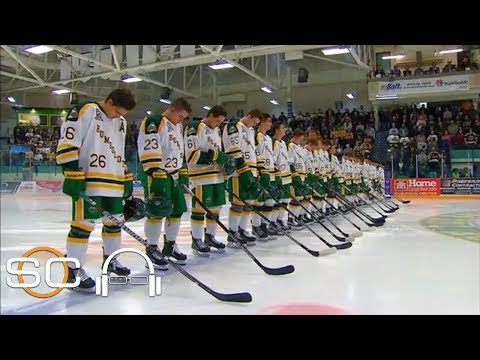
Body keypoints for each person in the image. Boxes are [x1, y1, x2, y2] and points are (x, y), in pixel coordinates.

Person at [56, 88, 136, 292]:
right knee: (83, 226)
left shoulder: (121, 122)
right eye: (117, 111)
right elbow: (68, 140)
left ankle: (111, 260)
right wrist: (71, 171)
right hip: (89, 179)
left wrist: (125, 176)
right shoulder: (86, 110)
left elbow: (119, 150)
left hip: (114, 180)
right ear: (108, 102)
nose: (119, 116)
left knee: (114, 223)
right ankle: (72, 270)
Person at [137, 98, 191, 270]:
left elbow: (178, 150)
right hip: (158, 173)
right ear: (173, 109)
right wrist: (154, 170)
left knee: (176, 210)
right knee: (157, 210)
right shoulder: (154, 121)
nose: (181, 120)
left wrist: (182, 170)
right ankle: (152, 248)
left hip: (174, 175)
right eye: (180, 116)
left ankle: (170, 245)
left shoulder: (177, 126)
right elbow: (149, 145)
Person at [184, 105, 235, 255]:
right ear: (210, 115)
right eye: (217, 121)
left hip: (217, 177)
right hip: (200, 177)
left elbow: (218, 154)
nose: (219, 124)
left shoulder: (216, 130)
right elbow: (191, 156)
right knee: (199, 210)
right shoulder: (194, 127)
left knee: (216, 209)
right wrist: (215, 156)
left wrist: (224, 160)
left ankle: (210, 237)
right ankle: (196, 240)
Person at [222, 109, 263, 247]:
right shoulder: (234, 126)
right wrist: (242, 168)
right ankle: (232, 234)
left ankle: (242, 230)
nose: (253, 125)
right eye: (253, 122)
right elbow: (233, 148)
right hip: (239, 171)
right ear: (249, 116)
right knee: (238, 203)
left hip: (251, 170)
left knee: (249, 203)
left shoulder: (250, 131)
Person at [252, 113, 282, 240]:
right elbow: (256, 154)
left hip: (270, 173)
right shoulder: (256, 136)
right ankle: (256, 226)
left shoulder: (269, 139)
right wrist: (260, 170)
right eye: (268, 121)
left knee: (269, 201)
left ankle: (265, 225)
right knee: (259, 201)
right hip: (261, 172)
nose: (270, 124)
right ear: (262, 122)